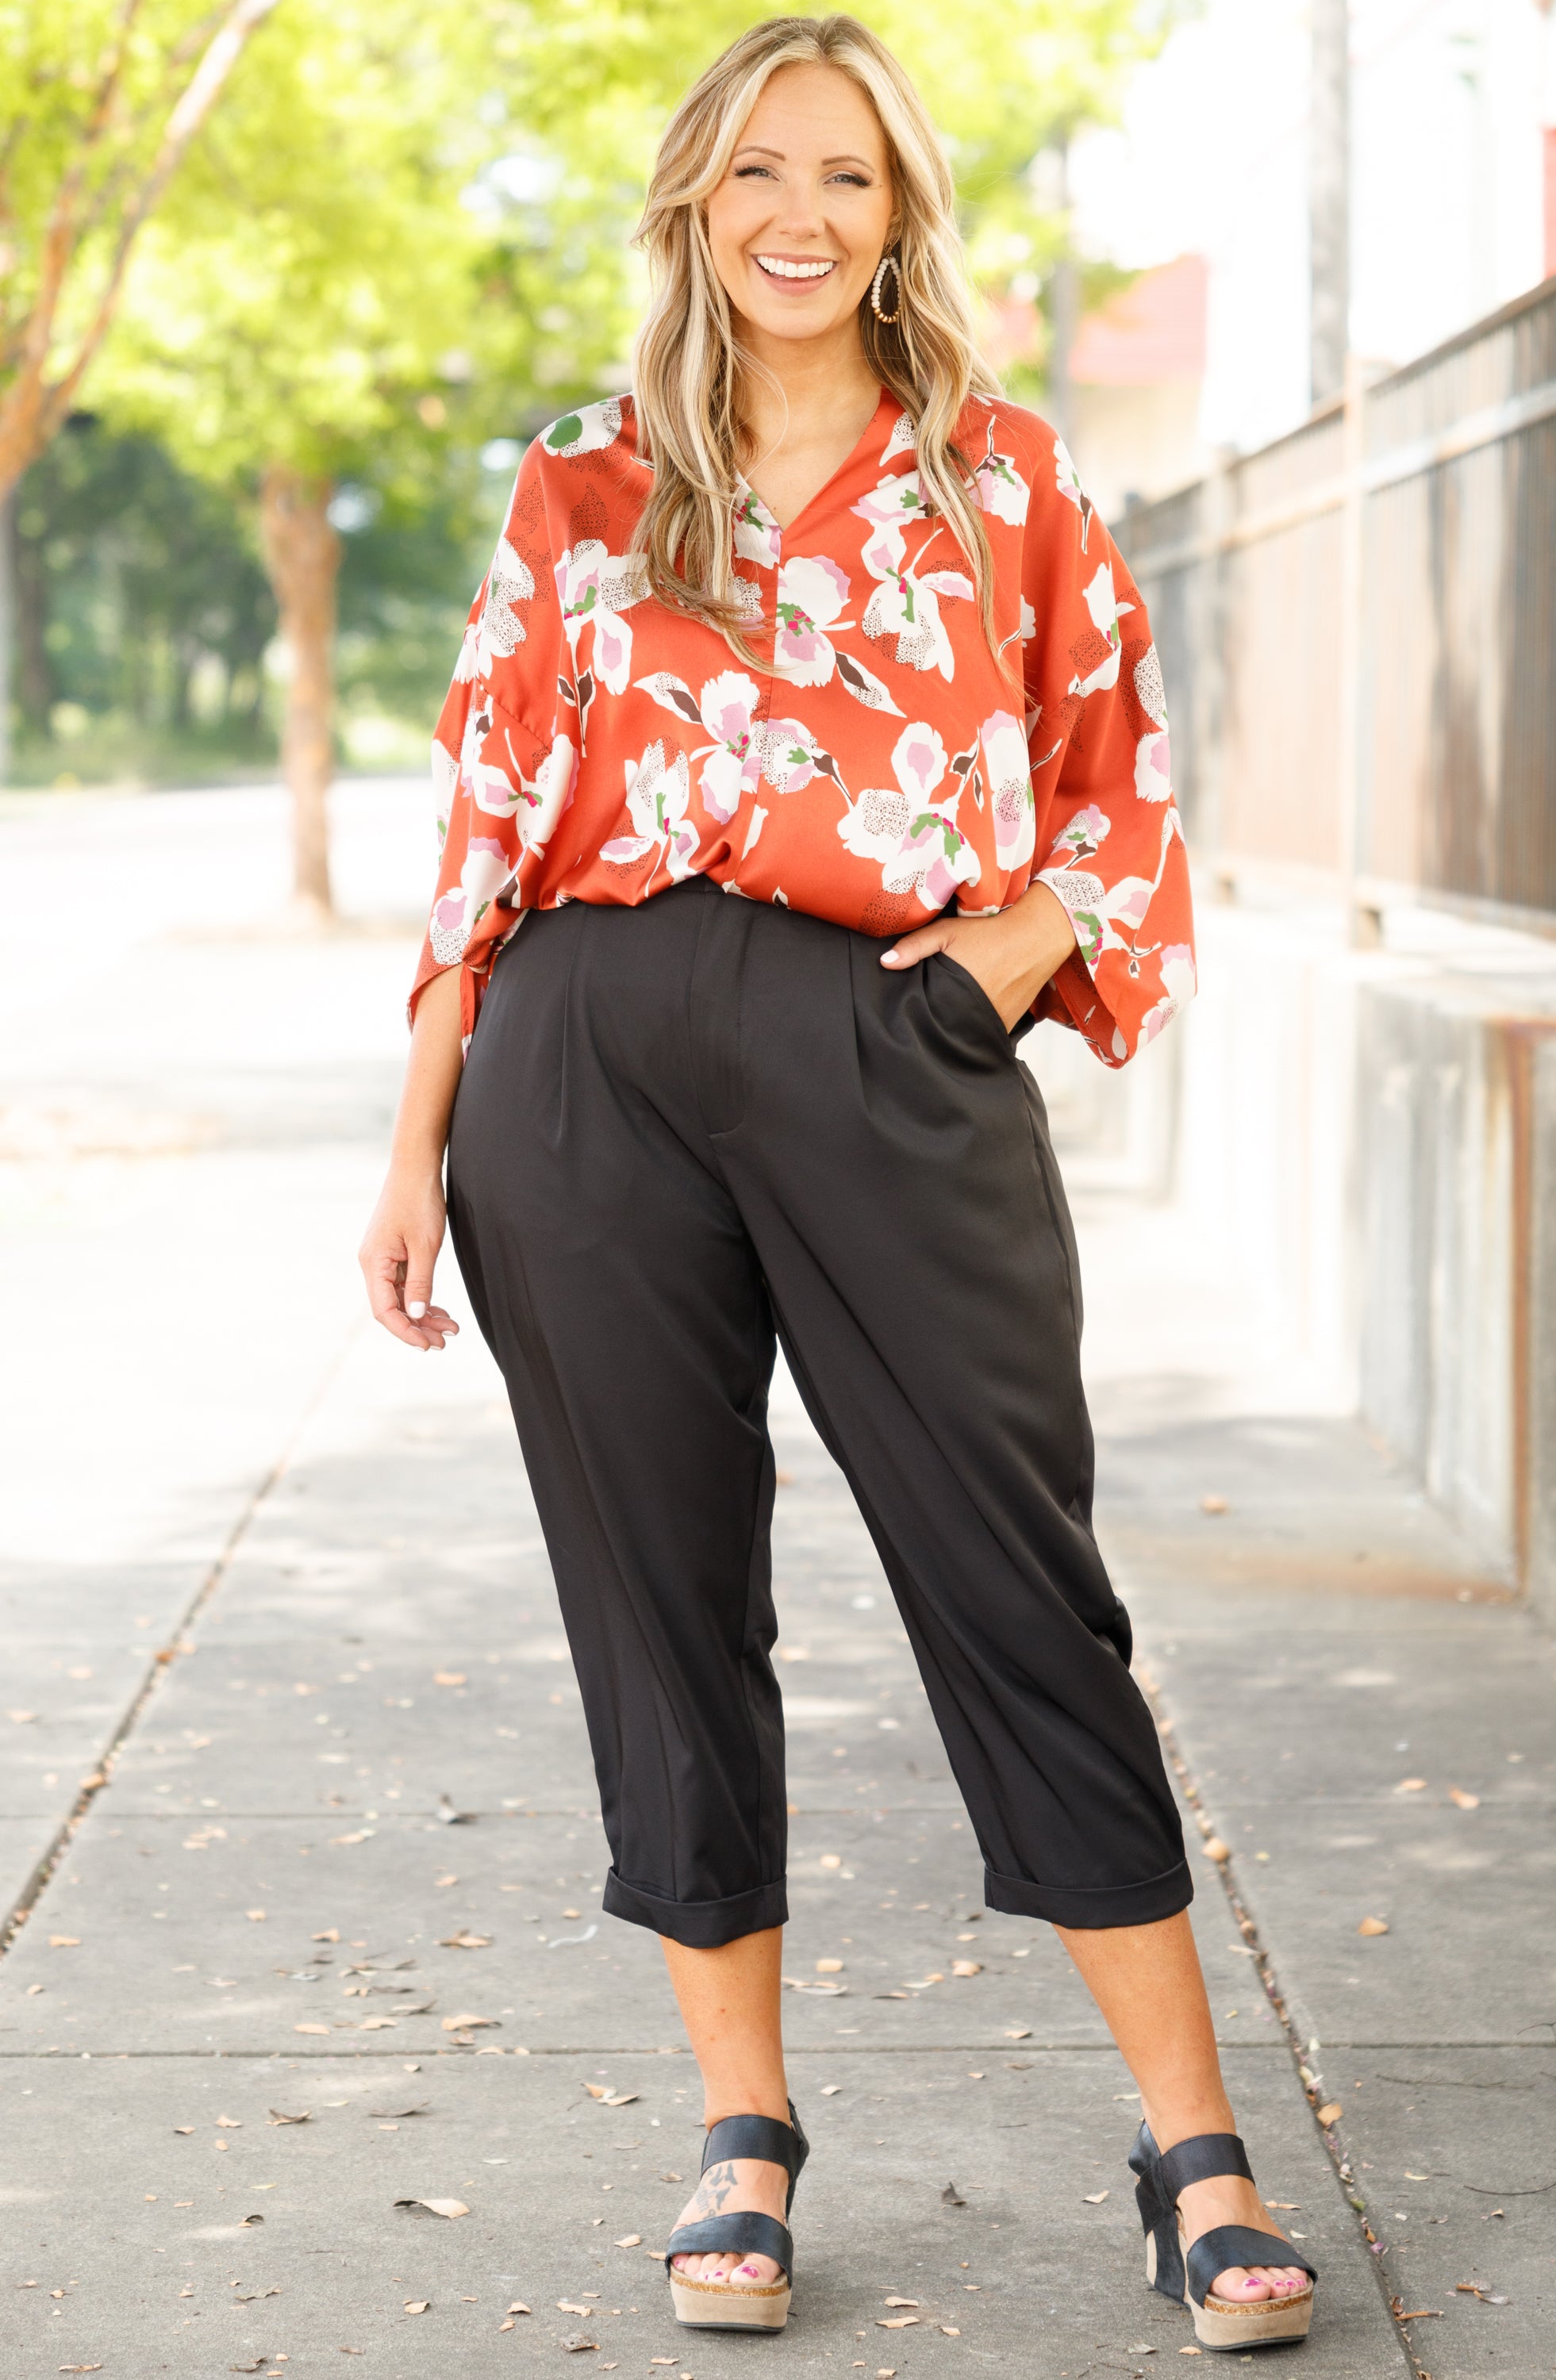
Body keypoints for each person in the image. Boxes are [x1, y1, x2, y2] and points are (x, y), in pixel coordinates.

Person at [358, 13, 1316, 2356]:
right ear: (699, 201)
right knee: (661, 1598)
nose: (803, 215)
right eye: (762, 171)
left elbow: (1123, 796)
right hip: (582, 1067)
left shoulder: (1003, 480)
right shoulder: (581, 481)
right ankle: (743, 2136)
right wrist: (417, 1142)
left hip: (888, 1056)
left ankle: (1193, 2145)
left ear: (901, 221)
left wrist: (985, 974)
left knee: (1017, 1577)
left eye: (853, 180)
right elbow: (489, 820)